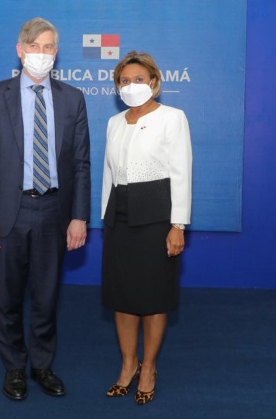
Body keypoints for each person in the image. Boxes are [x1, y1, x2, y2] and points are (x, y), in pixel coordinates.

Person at [0, 17, 91, 401]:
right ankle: (14, 368)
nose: (42, 54)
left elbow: (81, 165)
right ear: (20, 50)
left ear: (57, 53)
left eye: (49, 47)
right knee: (8, 299)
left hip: (55, 211)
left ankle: (42, 365)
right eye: (35, 46)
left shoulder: (73, 98)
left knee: (47, 297)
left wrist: (79, 216)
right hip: (9, 211)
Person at [101, 51, 192, 405]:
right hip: (119, 217)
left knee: (154, 298)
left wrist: (178, 224)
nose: (131, 85)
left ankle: (149, 368)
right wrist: (105, 216)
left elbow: (181, 172)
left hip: (157, 216)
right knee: (122, 298)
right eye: (124, 81)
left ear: (153, 82)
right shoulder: (114, 122)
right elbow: (109, 173)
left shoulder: (172, 117)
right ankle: (129, 365)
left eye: (138, 79)